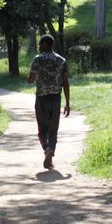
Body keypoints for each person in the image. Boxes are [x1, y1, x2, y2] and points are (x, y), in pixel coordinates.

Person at [26, 34, 70, 170]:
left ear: (45, 44)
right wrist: (67, 103)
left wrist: (31, 76)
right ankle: (50, 155)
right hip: (56, 98)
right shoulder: (61, 60)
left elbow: (31, 79)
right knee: (53, 129)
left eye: (40, 44)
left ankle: (46, 149)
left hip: (41, 98)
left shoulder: (38, 59)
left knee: (42, 129)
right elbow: (66, 83)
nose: (39, 46)